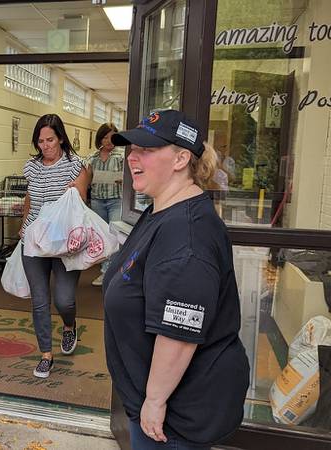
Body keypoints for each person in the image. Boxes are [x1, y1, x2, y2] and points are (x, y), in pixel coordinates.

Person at [102, 110, 249, 449]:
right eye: (132, 149)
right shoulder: (160, 211)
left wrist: (154, 401)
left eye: (148, 150)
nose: (133, 158)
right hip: (155, 401)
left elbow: (179, 332)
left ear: (182, 158)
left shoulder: (188, 236)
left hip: (174, 416)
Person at [18, 113, 90, 378]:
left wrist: (76, 192)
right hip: (34, 242)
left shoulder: (76, 166)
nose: (45, 146)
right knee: (39, 300)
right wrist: (24, 223)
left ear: (60, 138)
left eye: (50, 139)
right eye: (40, 141)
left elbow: (82, 207)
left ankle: (69, 326)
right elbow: (30, 198)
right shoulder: (31, 167)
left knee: (64, 299)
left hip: (64, 244)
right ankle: (45, 354)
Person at [84, 122, 125, 286]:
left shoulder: (122, 155)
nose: (108, 141)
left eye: (112, 137)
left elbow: (129, 178)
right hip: (97, 201)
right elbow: (87, 180)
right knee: (101, 236)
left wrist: (123, 180)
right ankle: (105, 271)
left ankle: (112, 272)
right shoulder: (92, 157)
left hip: (116, 200)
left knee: (115, 236)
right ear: (100, 139)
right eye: (105, 137)